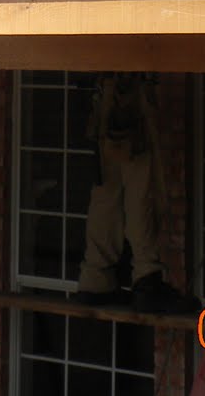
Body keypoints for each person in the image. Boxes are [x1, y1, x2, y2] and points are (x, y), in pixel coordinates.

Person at [72, 74, 198, 313]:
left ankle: (96, 278)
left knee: (106, 195)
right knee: (141, 192)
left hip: (106, 95)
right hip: (131, 95)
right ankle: (146, 278)